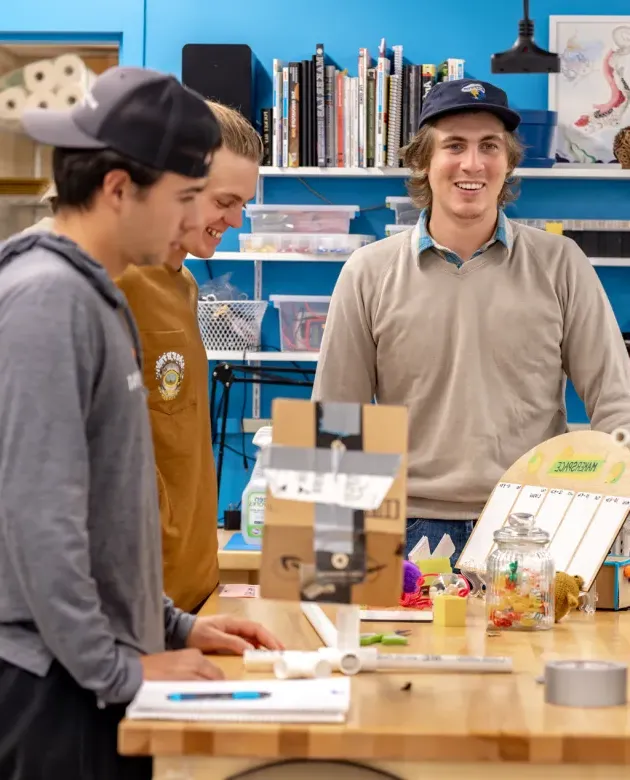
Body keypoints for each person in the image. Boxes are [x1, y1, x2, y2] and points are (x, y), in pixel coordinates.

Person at [0, 66, 281, 780]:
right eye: (188, 197)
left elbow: (106, 513)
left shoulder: (93, 295)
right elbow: (42, 522)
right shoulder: (46, 300)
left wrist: (174, 625)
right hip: (52, 681)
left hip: (93, 665)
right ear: (122, 189)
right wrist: (124, 670)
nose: (194, 222)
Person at [312, 77, 630, 566]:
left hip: (538, 527)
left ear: (509, 162)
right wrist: (329, 575)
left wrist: (616, 527)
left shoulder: (562, 263)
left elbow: (616, 403)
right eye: (453, 145)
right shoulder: (367, 272)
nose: (473, 164)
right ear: (423, 161)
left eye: (490, 147)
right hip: (406, 531)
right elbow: (336, 416)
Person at [116, 100, 262, 612]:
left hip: (189, 595)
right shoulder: (109, 281)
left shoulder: (184, 284)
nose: (237, 220)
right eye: (226, 200)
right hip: (130, 605)